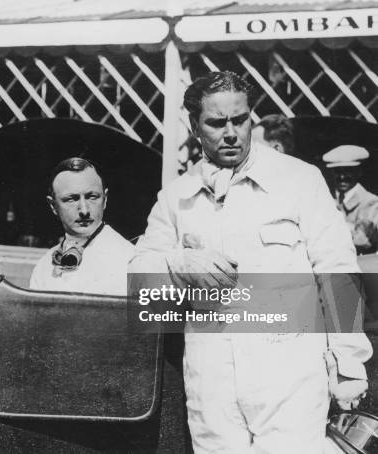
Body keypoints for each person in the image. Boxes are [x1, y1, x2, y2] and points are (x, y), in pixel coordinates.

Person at [131, 71, 372, 453]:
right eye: (216, 122)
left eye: (240, 120)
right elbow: (140, 285)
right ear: (195, 126)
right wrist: (178, 263)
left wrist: (348, 364)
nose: (231, 133)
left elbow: (339, 275)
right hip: (212, 383)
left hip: (289, 376)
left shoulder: (298, 180)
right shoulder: (176, 198)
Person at [29, 157, 133, 295]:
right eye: (71, 199)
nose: (84, 210)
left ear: (105, 199)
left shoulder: (130, 260)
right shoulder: (44, 267)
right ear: (53, 206)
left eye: (92, 197)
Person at [323, 144, 378, 255]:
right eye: (337, 171)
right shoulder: (328, 201)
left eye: (347, 170)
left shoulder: (371, 203)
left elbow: (363, 241)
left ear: (359, 172)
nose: (342, 176)